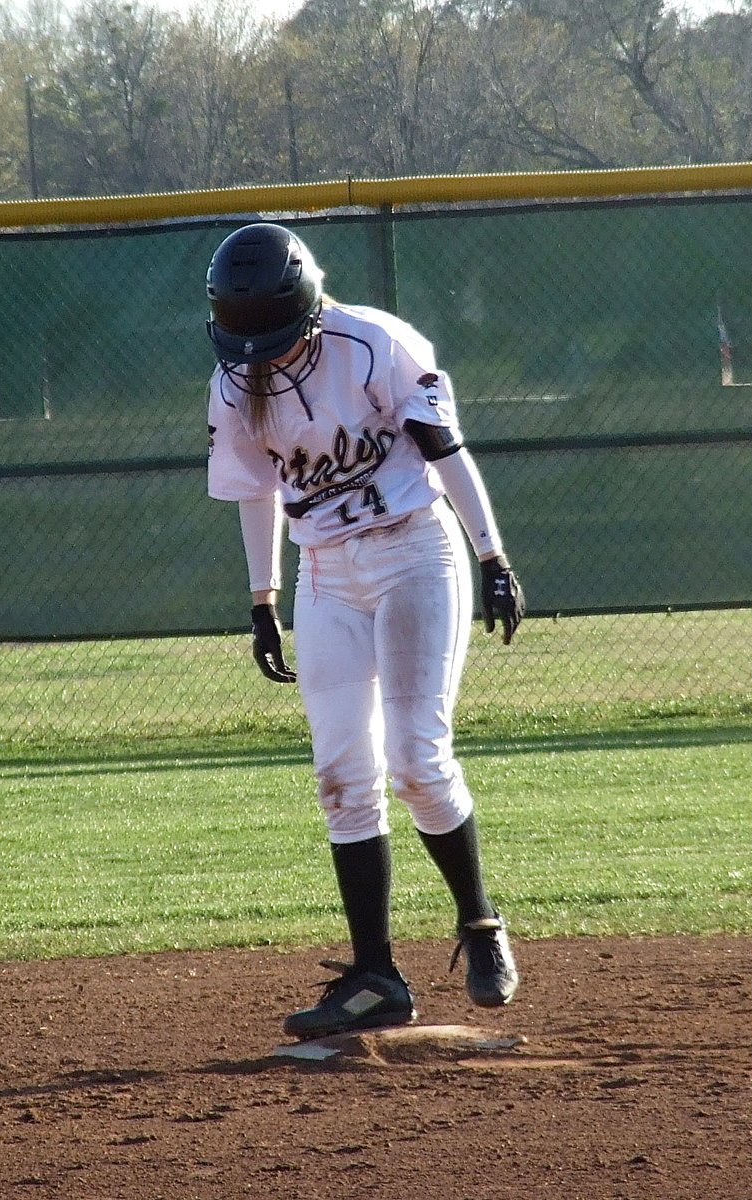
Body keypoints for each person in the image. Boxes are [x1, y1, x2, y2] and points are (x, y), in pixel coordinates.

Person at [204, 222, 526, 1041]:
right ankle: (376, 975)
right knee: (342, 773)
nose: (260, 354)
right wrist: (261, 598)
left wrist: (491, 553)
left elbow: (443, 449)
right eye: (246, 340)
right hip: (327, 575)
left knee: (417, 757)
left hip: (415, 550)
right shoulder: (235, 380)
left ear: (308, 307)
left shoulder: (375, 343)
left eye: (271, 336)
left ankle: (481, 927)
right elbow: (255, 490)